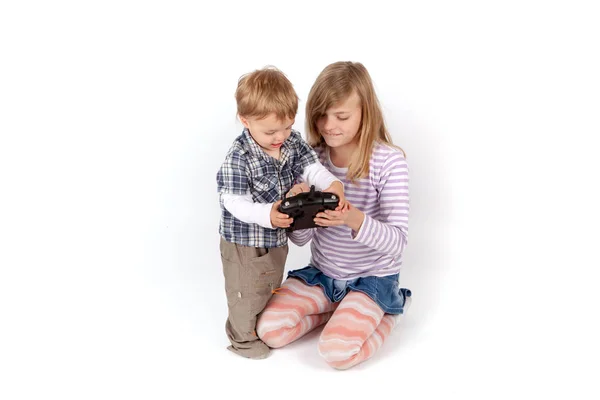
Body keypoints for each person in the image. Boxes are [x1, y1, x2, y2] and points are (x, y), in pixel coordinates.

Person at [256, 61, 412, 369]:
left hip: (372, 278)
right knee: (269, 331)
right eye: (321, 115)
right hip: (324, 275)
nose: (328, 125)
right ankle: (336, 308)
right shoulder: (313, 159)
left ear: (365, 112)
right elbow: (301, 240)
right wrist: (298, 212)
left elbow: (398, 242)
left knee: (337, 354)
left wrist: (352, 218)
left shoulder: (389, 162)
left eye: (341, 116)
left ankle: (390, 308)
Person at [216, 66, 346, 359]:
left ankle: (263, 325)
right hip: (244, 241)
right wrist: (267, 215)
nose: (280, 136)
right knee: (246, 291)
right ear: (245, 120)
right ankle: (243, 339)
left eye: (286, 127)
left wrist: (333, 183)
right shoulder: (239, 157)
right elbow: (233, 203)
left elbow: (311, 167)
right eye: (270, 131)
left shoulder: (292, 142)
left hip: (276, 236)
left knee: (268, 284)